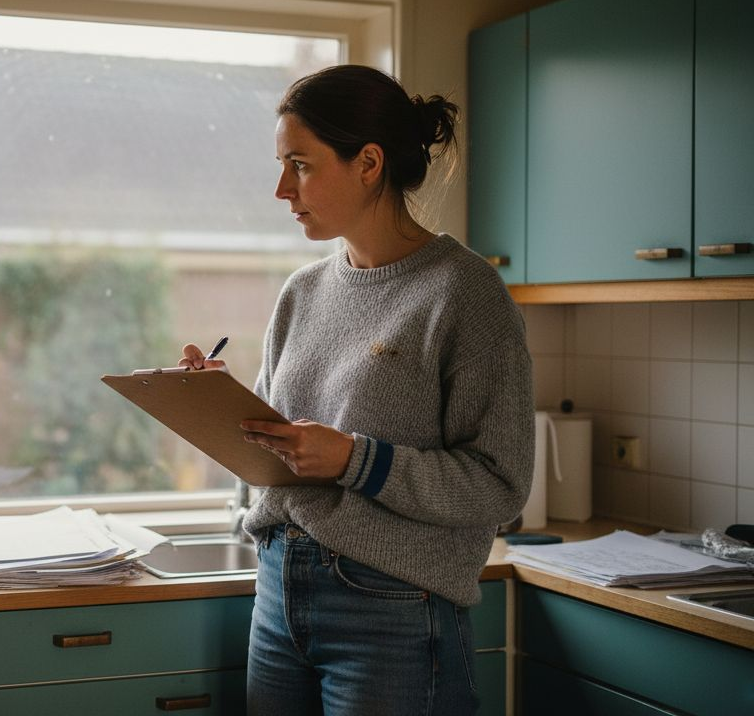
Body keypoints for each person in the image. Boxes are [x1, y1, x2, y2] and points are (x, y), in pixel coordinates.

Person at [179, 64, 534, 715]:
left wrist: (354, 460)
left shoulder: (463, 292)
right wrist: (218, 405)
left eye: (300, 165)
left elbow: (500, 484)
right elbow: (274, 458)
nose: (282, 188)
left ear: (368, 163)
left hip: (394, 611)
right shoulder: (303, 293)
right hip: (279, 596)